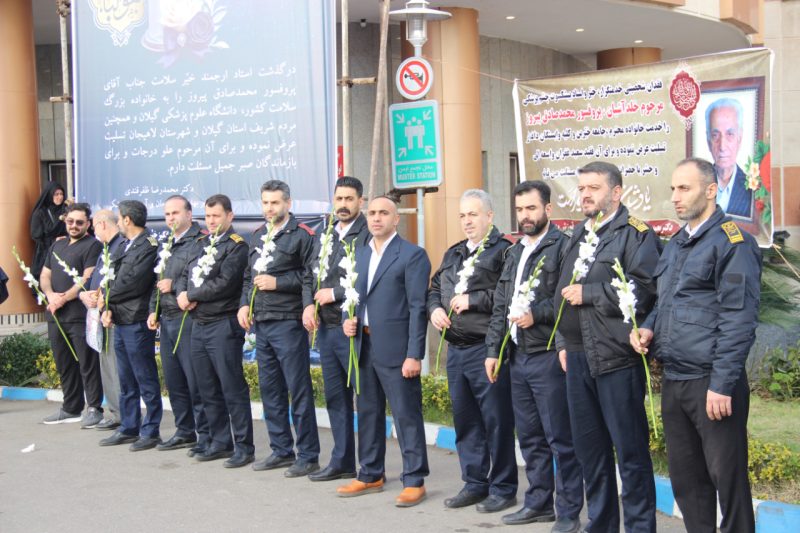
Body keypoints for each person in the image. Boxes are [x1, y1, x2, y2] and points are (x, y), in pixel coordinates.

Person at [632, 158, 761, 533]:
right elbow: (665, 302)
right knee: (688, 483)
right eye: (673, 188)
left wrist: (722, 384)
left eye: (684, 188)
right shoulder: (676, 244)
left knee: (727, 480)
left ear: (710, 190)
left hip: (711, 383)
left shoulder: (733, 243)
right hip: (676, 380)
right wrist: (648, 328)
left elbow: (738, 319)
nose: (675, 196)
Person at [554, 161, 661, 532]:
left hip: (616, 358)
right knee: (591, 452)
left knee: (630, 453)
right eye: (582, 187)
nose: (585, 194)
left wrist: (592, 293)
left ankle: (640, 527)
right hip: (577, 357)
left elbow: (644, 289)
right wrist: (563, 340)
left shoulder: (636, 234)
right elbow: (559, 293)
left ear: (616, 192)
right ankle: (601, 524)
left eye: (594, 188)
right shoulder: (577, 234)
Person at [486, 181, 583, 532]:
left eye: (531, 208)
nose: (525, 216)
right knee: (529, 436)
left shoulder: (563, 247)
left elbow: (565, 299)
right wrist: (493, 350)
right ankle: (538, 503)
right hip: (517, 356)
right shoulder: (514, 251)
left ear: (548, 209)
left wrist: (536, 315)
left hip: (547, 355)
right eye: (520, 209)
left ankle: (568, 512)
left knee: (560, 438)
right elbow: (501, 304)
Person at [427, 189, 518, 513]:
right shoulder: (453, 252)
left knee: (496, 421)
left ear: (489, 216)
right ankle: (474, 482)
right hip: (456, 350)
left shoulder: (504, 251)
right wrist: (435, 309)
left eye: (473, 214)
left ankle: (503, 487)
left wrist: (473, 300)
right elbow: (434, 288)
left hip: (486, 349)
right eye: (463, 215)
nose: (467, 221)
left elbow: (509, 296)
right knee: (466, 421)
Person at [338, 196, 431, 508]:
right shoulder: (360, 254)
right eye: (372, 213)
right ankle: (370, 473)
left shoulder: (412, 255)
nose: (376, 218)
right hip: (363, 345)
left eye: (383, 213)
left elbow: (418, 308)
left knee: (406, 415)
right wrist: (347, 320)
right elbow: (352, 297)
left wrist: (414, 354)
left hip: (397, 350)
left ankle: (414, 480)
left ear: (396, 219)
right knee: (367, 413)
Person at [238, 180, 320, 476]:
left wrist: (278, 282)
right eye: (265, 203)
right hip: (261, 322)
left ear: (288, 203)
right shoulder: (258, 235)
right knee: (270, 390)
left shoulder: (303, 235)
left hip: (288, 321)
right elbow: (248, 277)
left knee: (298, 390)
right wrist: (244, 305)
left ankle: (308, 455)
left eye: (275, 202)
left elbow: (311, 276)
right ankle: (281, 450)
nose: (269, 208)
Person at [177, 194, 254, 467]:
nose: (211, 221)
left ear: (229, 216)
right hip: (198, 323)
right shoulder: (200, 243)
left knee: (232, 387)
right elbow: (184, 273)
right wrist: (182, 293)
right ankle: (220, 441)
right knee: (206, 386)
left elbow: (225, 282)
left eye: (216, 216)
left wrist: (192, 294)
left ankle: (244, 446)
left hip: (223, 324)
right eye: (208, 216)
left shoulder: (236, 246)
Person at [301, 176, 370, 482]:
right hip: (327, 329)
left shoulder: (366, 233)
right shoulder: (324, 232)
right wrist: (308, 305)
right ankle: (342, 461)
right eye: (339, 198)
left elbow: (369, 276)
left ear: (360, 202)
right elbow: (309, 274)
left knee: (365, 399)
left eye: (349, 199)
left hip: (352, 328)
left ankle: (370, 466)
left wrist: (336, 294)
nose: (343, 204)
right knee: (335, 398)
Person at [147, 195, 209, 453]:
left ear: (189, 214)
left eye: (175, 213)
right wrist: (153, 309)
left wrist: (174, 286)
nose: (171, 218)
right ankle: (184, 431)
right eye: (167, 214)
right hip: (168, 318)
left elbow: (202, 279)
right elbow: (157, 281)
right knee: (174, 381)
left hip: (189, 318)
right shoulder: (167, 243)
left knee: (196, 381)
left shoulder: (200, 241)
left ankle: (205, 434)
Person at [99, 200, 163, 451]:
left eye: (119, 218)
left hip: (136, 320)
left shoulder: (148, 245)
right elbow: (111, 277)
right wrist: (106, 308)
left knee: (144, 376)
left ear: (127, 220)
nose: (118, 222)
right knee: (125, 378)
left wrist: (105, 298)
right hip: (120, 318)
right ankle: (129, 426)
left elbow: (133, 283)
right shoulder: (124, 245)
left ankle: (151, 430)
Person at [39, 203, 104, 427]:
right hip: (56, 316)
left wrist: (63, 298)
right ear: (65, 221)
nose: (74, 226)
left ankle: (94, 408)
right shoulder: (57, 245)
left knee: (88, 364)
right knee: (64, 364)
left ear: (88, 224)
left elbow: (87, 278)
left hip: (79, 316)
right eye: (70, 221)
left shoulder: (93, 246)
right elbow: (44, 275)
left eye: (79, 222)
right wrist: (50, 295)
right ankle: (70, 408)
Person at [79, 209, 123, 431]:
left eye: (94, 225)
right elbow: (94, 280)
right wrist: (86, 294)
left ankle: (121, 415)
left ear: (103, 224)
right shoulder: (105, 248)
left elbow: (121, 281)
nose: (94, 230)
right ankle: (115, 413)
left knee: (115, 368)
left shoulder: (119, 247)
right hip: (100, 314)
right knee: (106, 366)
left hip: (112, 315)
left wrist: (104, 298)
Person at [706, 97, 752, 218]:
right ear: (708, 140)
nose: (722, 146)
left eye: (730, 134)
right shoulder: (698, 185)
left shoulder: (752, 190)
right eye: (715, 135)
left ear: (739, 138)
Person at [30, 182, 67, 283]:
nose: (60, 197)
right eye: (56, 194)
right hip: (46, 253)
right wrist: (54, 240)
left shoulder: (65, 210)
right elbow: (36, 236)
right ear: (49, 195)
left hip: (65, 252)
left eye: (61, 194)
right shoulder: (40, 213)